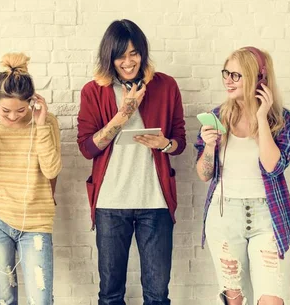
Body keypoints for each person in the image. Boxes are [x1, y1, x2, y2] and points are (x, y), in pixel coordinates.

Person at [76, 19, 186, 305]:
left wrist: (165, 144)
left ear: (143, 53)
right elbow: (88, 148)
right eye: (120, 55)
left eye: (134, 53)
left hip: (156, 203)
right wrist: (123, 114)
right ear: (109, 57)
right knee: (110, 295)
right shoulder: (94, 91)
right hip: (110, 203)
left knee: (158, 295)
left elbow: (180, 143)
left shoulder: (165, 86)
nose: (128, 62)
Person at [195, 47, 290, 305]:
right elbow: (204, 174)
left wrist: (262, 118)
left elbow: (273, 167)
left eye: (236, 75)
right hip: (224, 215)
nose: (228, 80)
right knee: (235, 300)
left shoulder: (283, 120)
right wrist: (209, 146)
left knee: (271, 299)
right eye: (226, 73)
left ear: (258, 78)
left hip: (268, 217)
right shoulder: (217, 116)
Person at [0, 52, 62, 305]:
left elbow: (52, 170)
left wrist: (41, 126)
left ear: (32, 102)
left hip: (36, 223)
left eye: (20, 110)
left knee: (41, 301)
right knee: (4, 301)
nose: (12, 117)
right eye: (5, 110)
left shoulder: (47, 123)